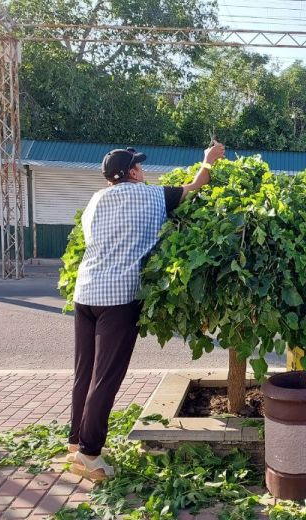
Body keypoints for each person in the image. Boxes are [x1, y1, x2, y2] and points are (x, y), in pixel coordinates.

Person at [68, 142, 225, 481]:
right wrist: (208, 160)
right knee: (105, 377)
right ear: (132, 173)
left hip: (86, 292)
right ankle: (90, 454)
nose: (143, 170)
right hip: (118, 298)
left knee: (84, 372)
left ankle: (75, 441)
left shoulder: (95, 200)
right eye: (139, 166)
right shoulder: (151, 196)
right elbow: (197, 186)